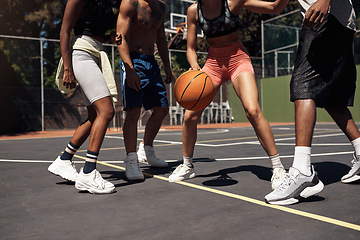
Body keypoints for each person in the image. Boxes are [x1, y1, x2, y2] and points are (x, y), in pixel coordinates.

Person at [168, 0, 289, 190]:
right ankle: (187, 165)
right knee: (190, 115)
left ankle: (278, 168)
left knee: (252, 111)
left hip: (237, 59)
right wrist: (195, 68)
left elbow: (275, 7)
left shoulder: (233, 3)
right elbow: (190, 49)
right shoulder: (194, 11)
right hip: (213, 63)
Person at [265, 0, 359, 205]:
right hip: (342, 22)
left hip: (326, 17)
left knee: (303, 87)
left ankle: (302, 171)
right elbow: (275, 6)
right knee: (333, 99)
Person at [48, 0, 121, 194]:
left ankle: (64, 160)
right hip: (81, 53)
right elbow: (64, 31)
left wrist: (111, 36)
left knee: (95, 116)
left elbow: (96, 30)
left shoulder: (107, 4)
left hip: (96, 53)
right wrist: (67, 68)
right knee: (106, 111)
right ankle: (88, 173)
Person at [115, 0, 175, 180]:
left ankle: (146, 150)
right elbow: (121, 37)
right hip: (133, 61)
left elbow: (161, 38)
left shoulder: (161, 7)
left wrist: (167, 67)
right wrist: (130, 69)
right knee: (134, 111)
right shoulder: (130, 3)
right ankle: (131, 161)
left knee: (162, 108)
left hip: (151, 63)